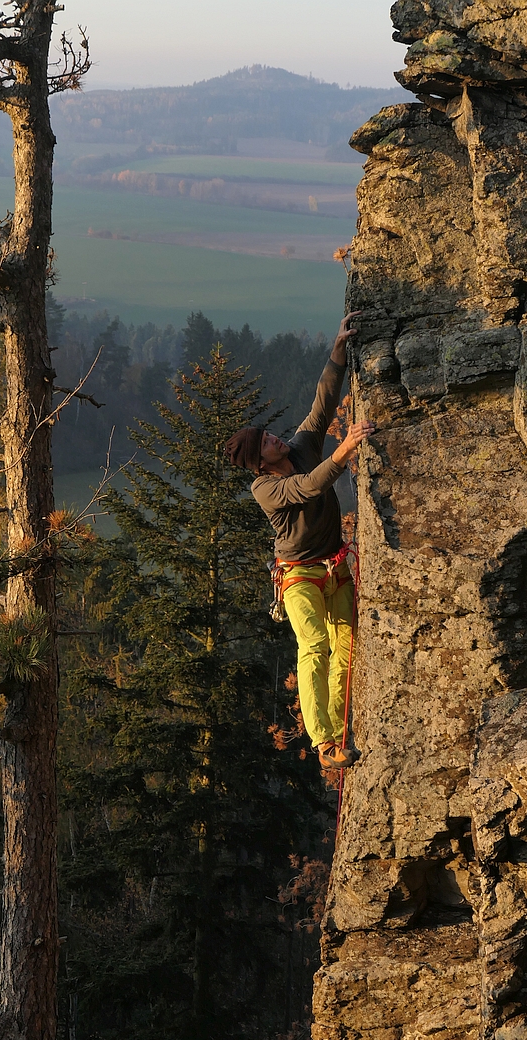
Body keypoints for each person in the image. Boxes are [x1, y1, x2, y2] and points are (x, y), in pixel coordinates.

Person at [225, 312, 374, 770]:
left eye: (269, 434)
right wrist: (346, 450)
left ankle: (338, 730)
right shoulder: (265, 489)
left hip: (334, 565)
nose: (275, 437)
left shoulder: (299, 445)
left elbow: (323, 405)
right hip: (298, 577)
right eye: (266, 441)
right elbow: (309, 487)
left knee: (347, 646)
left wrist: (338, 353)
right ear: (260, 462)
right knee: (313, 646)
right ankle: (325, 743)